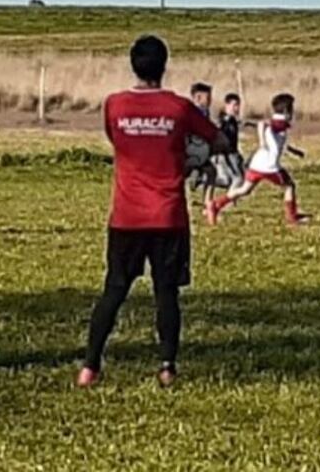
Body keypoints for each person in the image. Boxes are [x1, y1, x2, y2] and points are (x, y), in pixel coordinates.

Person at [77, 35, 228, 388]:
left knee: (114, 289)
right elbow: (219, 140)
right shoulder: (179, 108)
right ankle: (166, 367)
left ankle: (89, 367)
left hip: (126, 217)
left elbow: (117, 141)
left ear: (133, 65)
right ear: (165, 65)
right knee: (166, 293)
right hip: (168, 216)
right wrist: (192, 157)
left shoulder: (114, 105)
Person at [207, 93, 308, 225]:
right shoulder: (280, 121)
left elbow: (277, 141)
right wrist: (262, 142)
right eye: (292, 109)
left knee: (245, 190)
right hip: (270, 167)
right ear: (286, 110)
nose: (293, 112)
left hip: (257, 164)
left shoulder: (279, 123)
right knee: (289, 186)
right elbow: (262, 124)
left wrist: (294, 151)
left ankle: (216, 205)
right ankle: (292, 217)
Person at [188, 82, 218, 209]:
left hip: (201, 151)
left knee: (211, 172)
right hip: (190, 152)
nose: (210, 100)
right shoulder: (192, 112)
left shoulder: (205, 112)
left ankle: (207, 202)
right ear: (198, 97)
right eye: (208, 98)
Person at [213, 92, 246, 190]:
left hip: (233, 154)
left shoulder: (233, 121)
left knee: (236, 180)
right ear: (227, 105)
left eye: (238, 105)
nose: (237, 108)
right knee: (236, 179)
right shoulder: (222, 122)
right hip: (224, 156)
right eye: (234, 105)